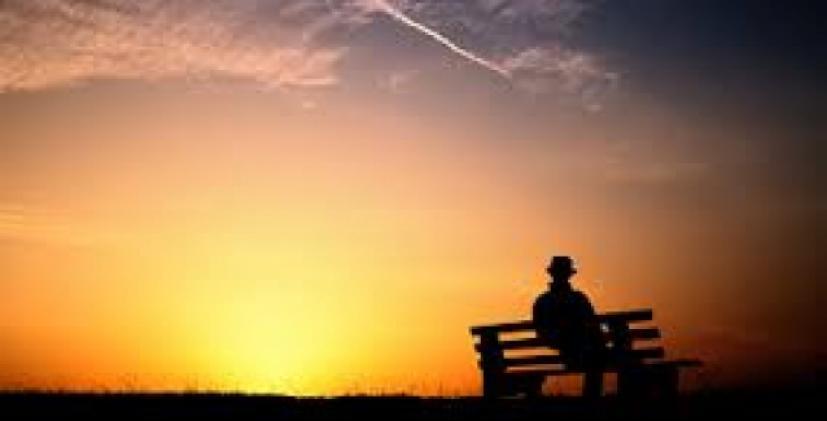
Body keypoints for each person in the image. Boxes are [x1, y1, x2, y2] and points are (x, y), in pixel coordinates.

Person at [532, 255, 606, 398]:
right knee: (600, 357)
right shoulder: (578, 298)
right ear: (569, 275)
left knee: (597, 355)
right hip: (582, 352)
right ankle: (592, 399)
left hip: (565, 352)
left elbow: (541, 332)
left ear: (552, 274)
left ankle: (591, 398)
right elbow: (593, 325)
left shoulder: (542, 301)